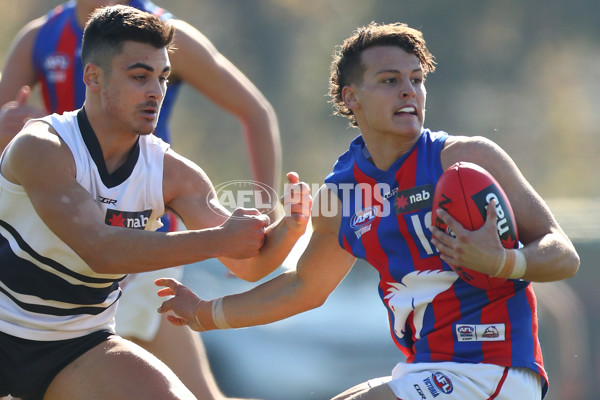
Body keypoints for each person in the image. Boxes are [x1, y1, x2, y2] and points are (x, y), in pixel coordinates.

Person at [156, 22, 580, 400]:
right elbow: (304, 287)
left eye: (416, 79)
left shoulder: (465, 159)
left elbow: (563, 253)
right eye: (390, 80)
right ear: (351, 97)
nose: (409, 91)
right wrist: (205, 313)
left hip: (492, 371)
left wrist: (504, 260)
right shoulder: (341, 194)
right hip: (425, 369)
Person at [0, 5, 311, 400]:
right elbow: (100, 250)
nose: (156, 92)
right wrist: (221, 238)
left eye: (163, 77)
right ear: (92, 77)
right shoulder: (41, 146)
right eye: (140, 76)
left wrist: (289, 229)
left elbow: (248, 263)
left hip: (77, 344)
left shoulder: (173, 174)